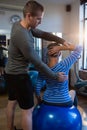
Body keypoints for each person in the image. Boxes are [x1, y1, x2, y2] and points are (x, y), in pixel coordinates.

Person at [4, 1, 70, 130]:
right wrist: (56, 76)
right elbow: (38, 63)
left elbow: (43, 34)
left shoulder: (19, 25)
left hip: (10, 73)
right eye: (38, 19)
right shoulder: (23, 37)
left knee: (11, 103)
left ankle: (10, 128)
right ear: (29, 16)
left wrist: (61, 40)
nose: (40, 21)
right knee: (27, 110)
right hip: (19, 77)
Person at [35, 43, 82, 107]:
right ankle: (73, 112)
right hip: (64, 101)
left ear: (47, 54)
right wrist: (60, 48)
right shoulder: (65, 64)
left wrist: (39, 100)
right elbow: (79, 48)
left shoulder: (43, 69)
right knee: (73, 91)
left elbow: (37, 87)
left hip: (47, 100)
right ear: (59, 53)